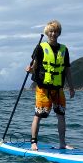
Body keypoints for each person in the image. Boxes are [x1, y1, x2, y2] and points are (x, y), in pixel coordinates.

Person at [26, 20, 76, 151]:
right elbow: (35, 66)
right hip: (43, 88)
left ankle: (62, 143)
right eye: (51, 31)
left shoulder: (64, 50)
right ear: (47, 33)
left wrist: (71, 87)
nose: (53, 34)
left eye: (56, 31)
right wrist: (30, 69)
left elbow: (67, 70)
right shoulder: (40, 48)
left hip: (58, 88)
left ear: (59, 33)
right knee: (39, 115)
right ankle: (33, 143)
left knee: (61, 115)